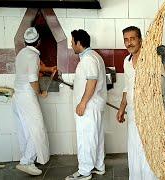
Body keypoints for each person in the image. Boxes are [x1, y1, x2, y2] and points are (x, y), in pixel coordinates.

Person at [116, 26, 165, 180]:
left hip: (151, 116)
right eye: (126, 40)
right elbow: (127, 87)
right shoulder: (126, 61)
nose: (129, 43)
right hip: (134, 116)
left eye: (132, 39)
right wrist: (122, 108)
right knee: (135, 150)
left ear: (140, 40)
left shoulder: (152, 58)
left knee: (150, 152)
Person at [66, 29, 107, 180]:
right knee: (95, 137)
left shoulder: (88, 59)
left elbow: (92, 81)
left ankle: (84, 172)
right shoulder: (95, 56)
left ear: (78, 43)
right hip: (95, 104)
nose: (71, 45)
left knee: (86, 138)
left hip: (89, 106)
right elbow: (89, 80)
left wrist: (82, 103)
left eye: (72, 42)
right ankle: (98, 166)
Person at [12, 27, 52, 176]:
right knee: (37, 128)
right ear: (39, 41)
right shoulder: (33, 56)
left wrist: (48, 69)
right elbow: (33, 79)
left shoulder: (22, 53)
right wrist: (41, 93)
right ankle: (27, 162)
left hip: (17, 96)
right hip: (27, 96)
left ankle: (27, 159)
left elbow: (34, 69)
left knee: (26, 130)